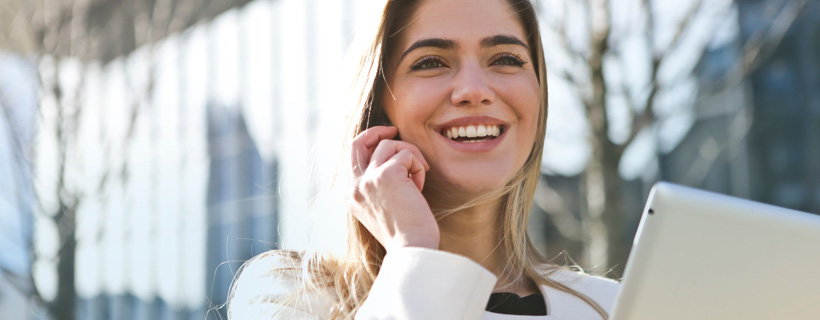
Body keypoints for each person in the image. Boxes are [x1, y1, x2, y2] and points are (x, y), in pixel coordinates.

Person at [228, 0, 620, 319]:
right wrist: (413, 253)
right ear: (378, 106)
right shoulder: (289, 297)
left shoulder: (612, 307)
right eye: (431, 62)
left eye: (506, 58)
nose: (474, 90)